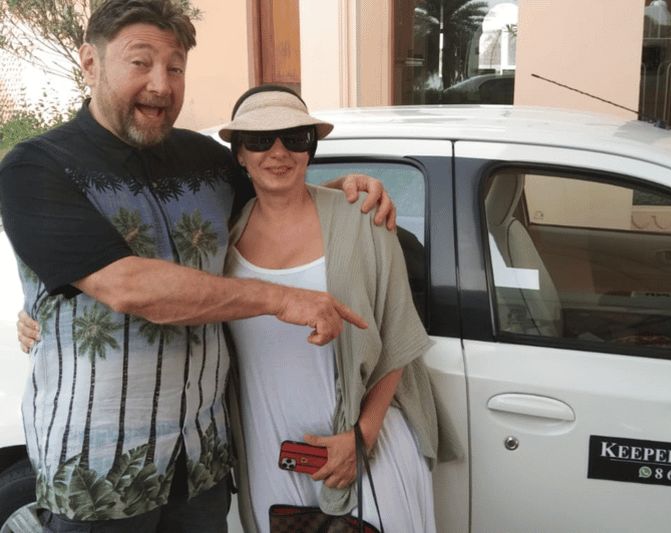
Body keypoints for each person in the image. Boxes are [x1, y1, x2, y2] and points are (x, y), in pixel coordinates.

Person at [0, 1, 395, 531]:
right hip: (99, 473)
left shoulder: (207, 160)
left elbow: (276, 205)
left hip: (201, 464)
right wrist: (282, 300)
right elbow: (128, 286)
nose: (161, 85)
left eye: (176, 67)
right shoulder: (37, 167)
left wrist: (344, 191)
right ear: (90, 63)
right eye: (140, 63)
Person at [219, 84, 461, 532]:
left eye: (295, 138)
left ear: (310, 148)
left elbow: (398, 337)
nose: (279, 152)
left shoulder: (364, 219)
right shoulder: (223, 240)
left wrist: (361, 438)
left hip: (368, 448)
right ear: (239, 154)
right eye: (260, 139)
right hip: (270, 452)